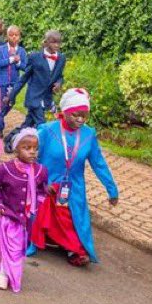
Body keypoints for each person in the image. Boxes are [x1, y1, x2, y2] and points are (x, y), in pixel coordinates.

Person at [30, 88, 119, 267]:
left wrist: (111, 189)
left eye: (84, 116)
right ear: (65, 113)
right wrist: (40, 181)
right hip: (47, 184)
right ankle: (38, 240)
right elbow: (32, 157)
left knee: (73, 218)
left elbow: (98, 163)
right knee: (42, 213)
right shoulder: (47, 130)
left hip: (73, 187)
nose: (80, 120)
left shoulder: (88, 135)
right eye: (75, 115)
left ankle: (75, 249)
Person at [0, 128, 47, 292]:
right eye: (27, 148)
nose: (32, 152)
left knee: (4, 242)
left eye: (35, 148)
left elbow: (42, 191)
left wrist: (38, 205)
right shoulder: (5, 169)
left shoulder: (41, 171)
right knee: (13, 246)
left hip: (26, 218)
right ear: (16, 149)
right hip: (7, 214)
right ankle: (4, 273)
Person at [7, 30, 66, 134]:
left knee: (27, 125)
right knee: (42, 125)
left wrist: (59, 83)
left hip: (46, 98)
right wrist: (12, 95)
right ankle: (45, 148)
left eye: (59, 42)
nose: (57, 45)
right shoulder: (35, 57)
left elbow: (60, 76)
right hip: (34, 98)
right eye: (53, 42)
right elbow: (24, 78)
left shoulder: (61, 58)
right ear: (46, 42)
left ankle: (11, 139)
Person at [0, 25, 28, 133]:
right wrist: (11, 59)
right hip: (2, 82)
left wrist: (18, 62)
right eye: (11, 35)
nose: (14, 37)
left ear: (19, 37)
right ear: (7, 36)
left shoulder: (21, 51)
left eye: (16, 35)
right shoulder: (1, 49)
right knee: (0, 104)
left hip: (14, 83)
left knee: (10, 104)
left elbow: (25, 67)